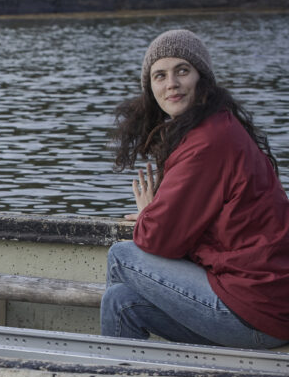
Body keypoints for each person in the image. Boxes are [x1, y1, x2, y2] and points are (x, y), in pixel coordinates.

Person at [100, 29, 289, 349]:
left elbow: (160, 239)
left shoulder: (208, 142)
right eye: (159, 75)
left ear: (202, 79)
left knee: (121, 255)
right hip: (263, 304)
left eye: (182, 71)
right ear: (151, 89)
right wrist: (157, 216)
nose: (171, 83)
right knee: (121, 302)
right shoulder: (216, 127)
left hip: (255, 312)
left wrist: (149, 215)